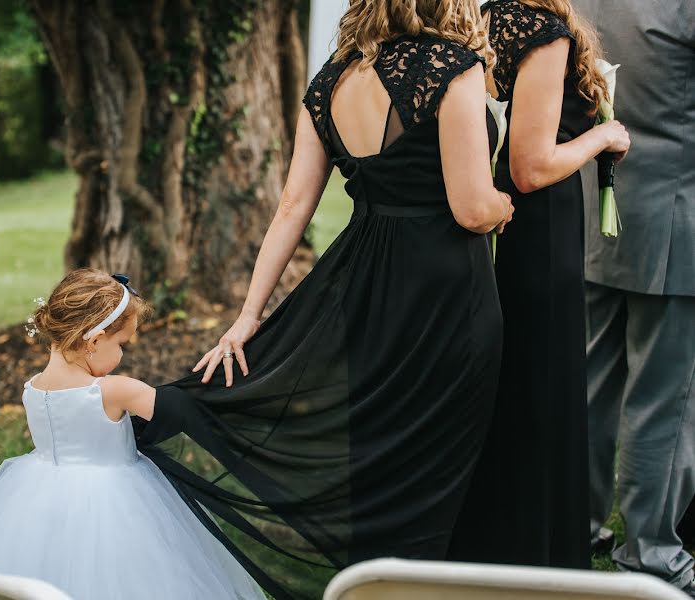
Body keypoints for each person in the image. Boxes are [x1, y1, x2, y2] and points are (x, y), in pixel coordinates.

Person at [134, 0, 513, 597]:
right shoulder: (453, 66)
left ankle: (367, 584)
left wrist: (248, 317)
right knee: (437, 461)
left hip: (360, 285)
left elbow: (292, 206)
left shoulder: (329, 81)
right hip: (445, 293)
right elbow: (471, 207)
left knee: (376, 451)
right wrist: (504, 205)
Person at [0, 269, 264, 600]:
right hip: (117, 504)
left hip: (36, 503)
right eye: (122, 343)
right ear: (95, 339)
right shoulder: (115, 391)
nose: (124, 353)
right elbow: (185, 410)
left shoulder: (32, 389)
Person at [446, 0, 630, 568]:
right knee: (543, 384)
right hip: (541, 231)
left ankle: (494, 540)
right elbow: (531, 166)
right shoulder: (544, 32)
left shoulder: (486, 17)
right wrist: (604, 138)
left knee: (515, 382)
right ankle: (539, 552)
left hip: (495, 225)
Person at [573, 0, 695, 594]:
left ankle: (578, 523)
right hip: (675, 215)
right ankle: (650, 550)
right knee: (664, 399)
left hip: (598, 208)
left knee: (592, 383)